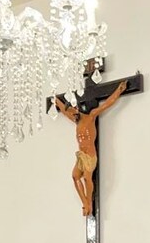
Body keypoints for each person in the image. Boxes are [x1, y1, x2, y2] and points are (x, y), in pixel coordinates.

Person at [54, 80, 128, 216]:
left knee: (87, 177)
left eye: (74, 111)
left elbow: (107, 104)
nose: (72, 114)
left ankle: (89, 203)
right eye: (72, 112)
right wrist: (56, 100)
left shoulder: (91, 116)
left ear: (78, 109)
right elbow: (64, 111)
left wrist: (119, 90)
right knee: (75, 176)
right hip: (81, 155)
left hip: (90, 155)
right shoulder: (76, 120)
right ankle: (85, 203)